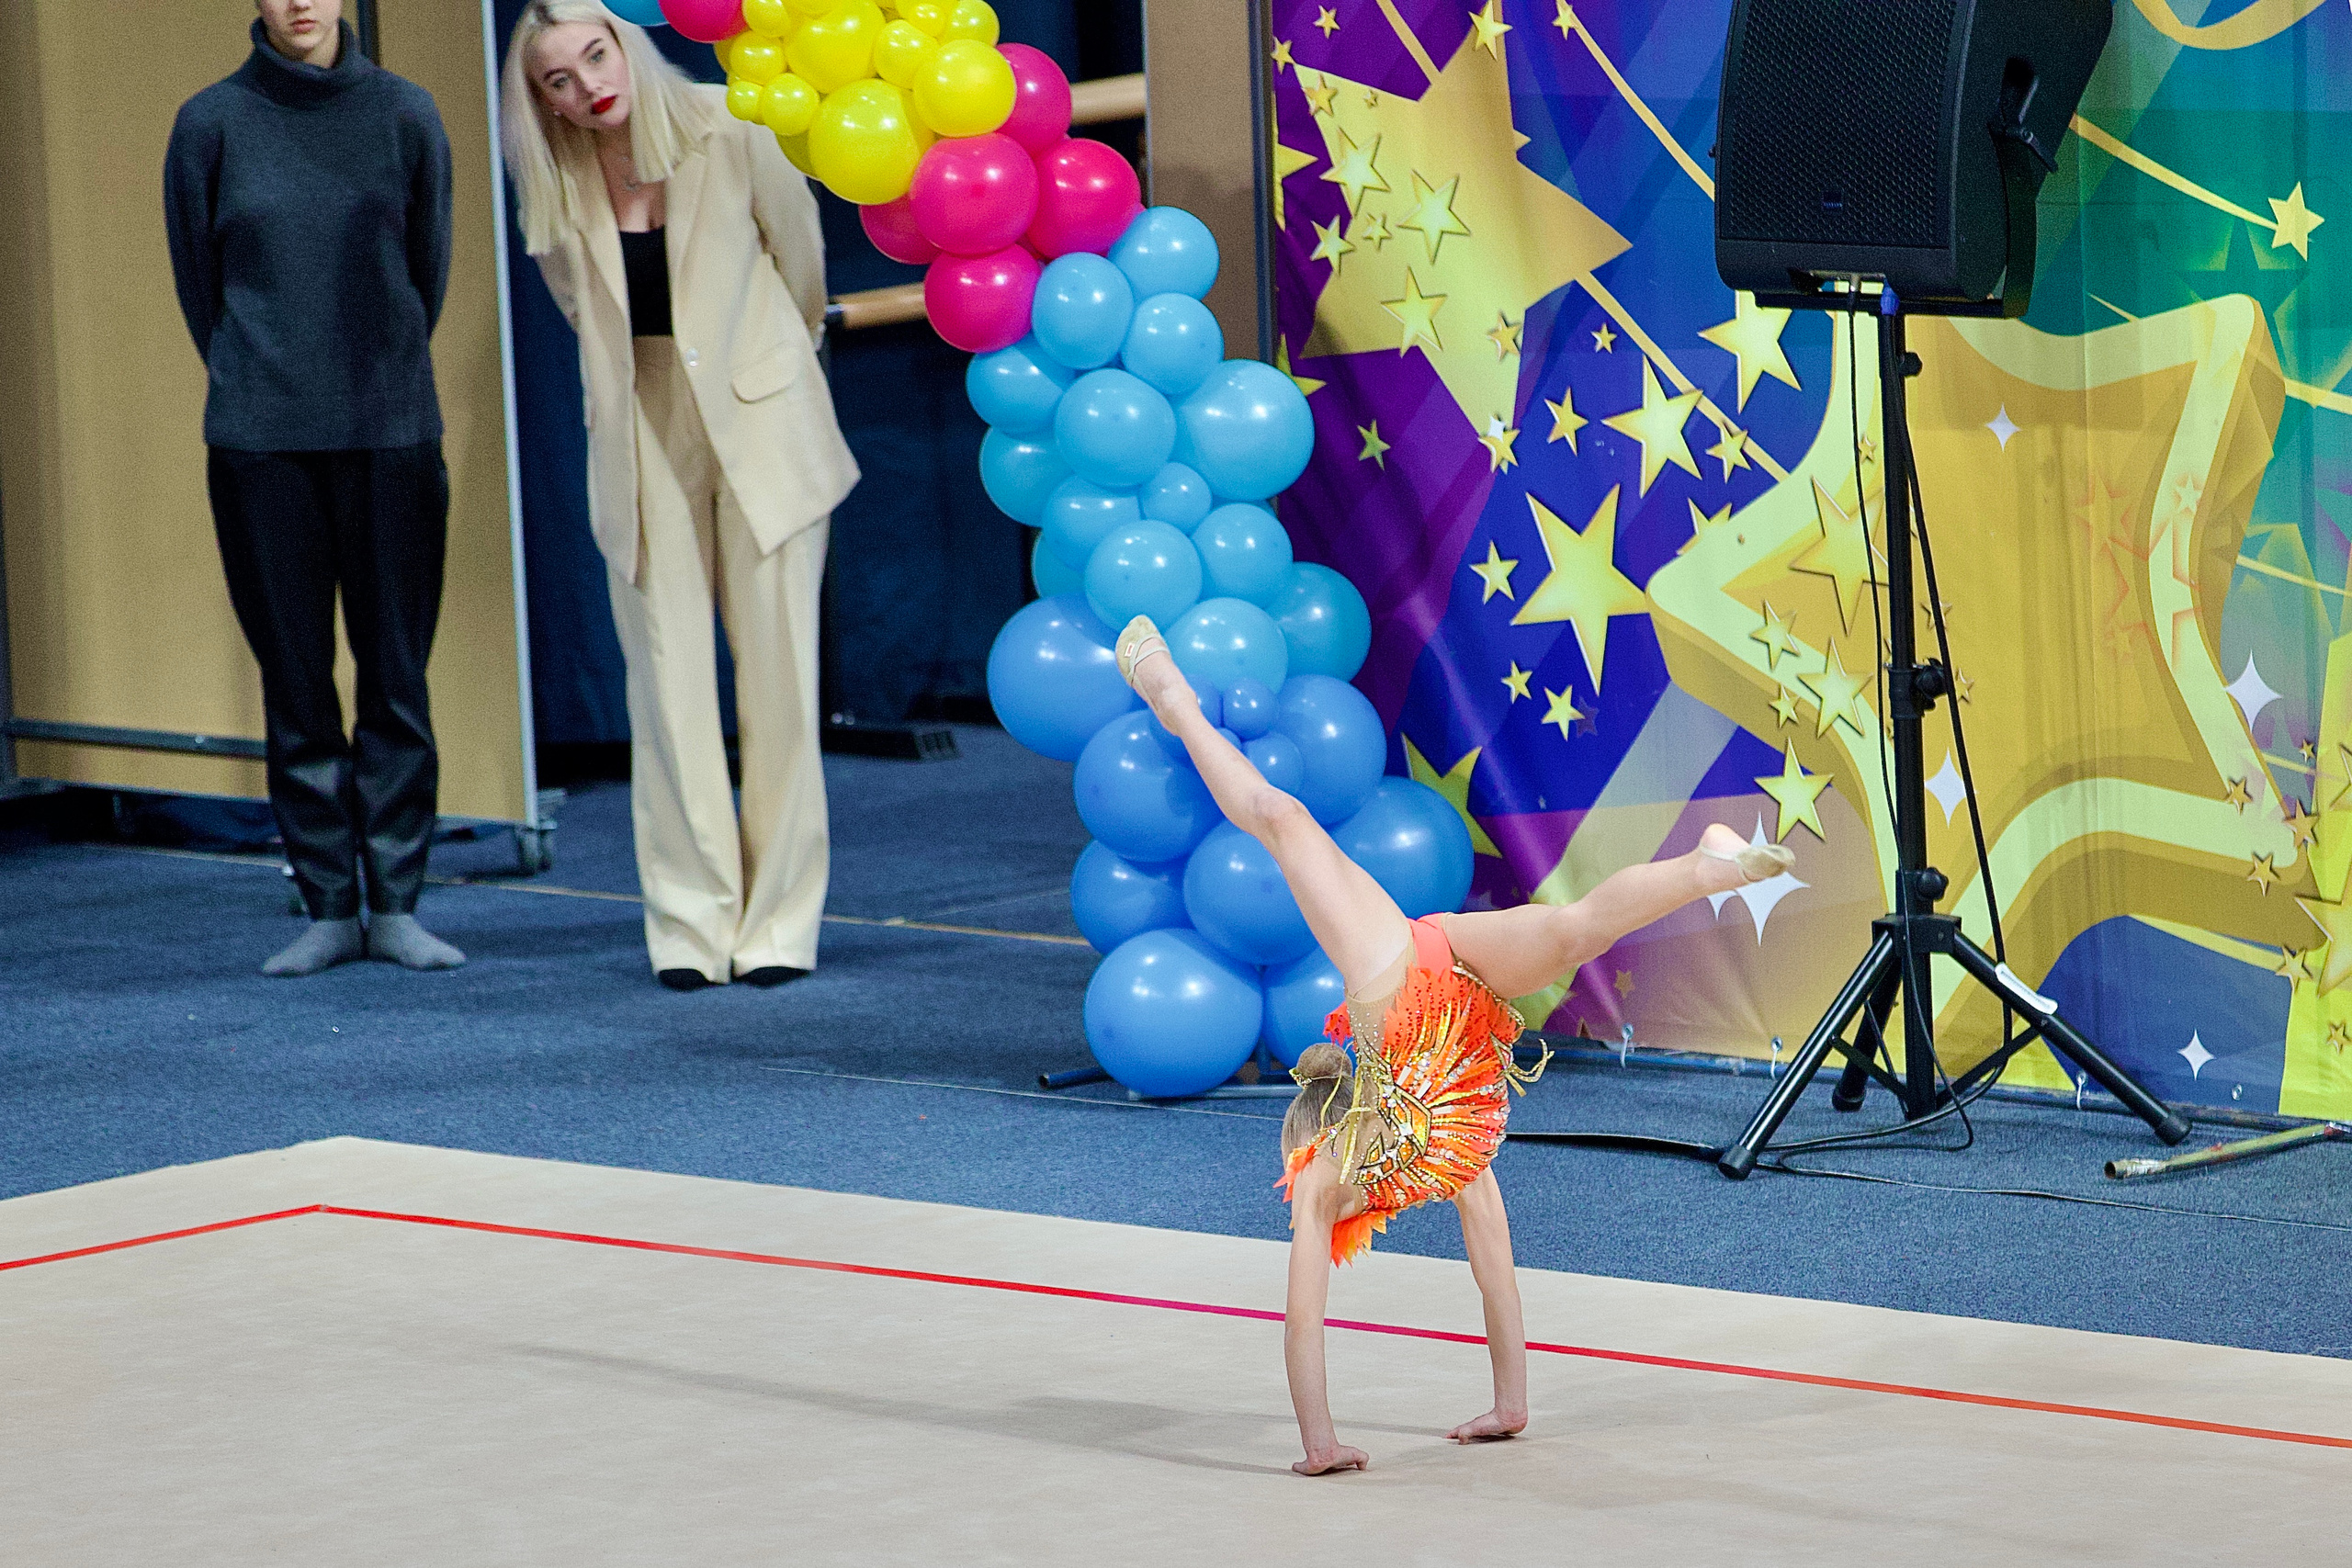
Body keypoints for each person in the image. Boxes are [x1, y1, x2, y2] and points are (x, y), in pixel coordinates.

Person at [1113, 614, 1794, 1476]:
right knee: (1561, 925)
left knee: (1300, 825)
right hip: (1435, 979)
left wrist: (1329, 1442)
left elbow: (1346, 1305)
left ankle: (1171, 696)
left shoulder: (1382, 1167)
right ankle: (1706, 869)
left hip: (1409, 984)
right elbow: (1483, 1273)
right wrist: (1496, 1407)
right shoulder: (1430, 1157)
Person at [502, 2, 858, 991]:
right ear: (542, 100)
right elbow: (577, 305)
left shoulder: (730, 123)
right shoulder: (555, 176)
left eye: (595, 55)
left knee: (781, 676)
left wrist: (773, 362)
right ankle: (692, 926)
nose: (587, 85)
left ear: (626, 43)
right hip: (638, 424)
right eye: (558, 79)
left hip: (762, 410)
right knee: (666, 684)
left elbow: (801, 258)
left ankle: (778, 922)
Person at [164, 0, 463, 976]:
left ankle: (398, 903)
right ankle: (329, 902)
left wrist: (378, 373)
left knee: (397, 677)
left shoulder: (406, 112)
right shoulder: (210, 123)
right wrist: (266, 376)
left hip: (390, 430)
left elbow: (426, 268)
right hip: (262, 440)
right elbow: (201, 287)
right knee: (295, 684)